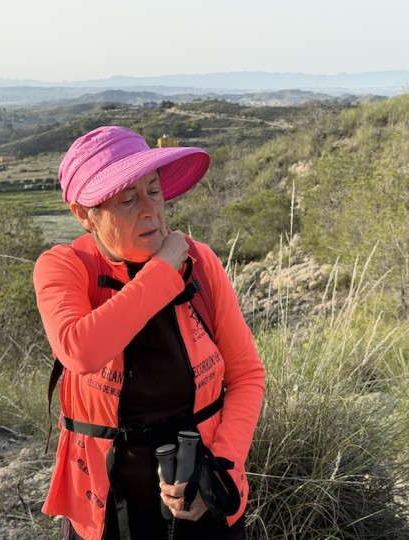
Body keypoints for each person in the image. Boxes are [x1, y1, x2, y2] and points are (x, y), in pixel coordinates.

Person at [33, 125, 265, 540]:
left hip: (203, 490)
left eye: (154, 191)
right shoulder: (65, 267)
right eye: (127, 199)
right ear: (84, 214)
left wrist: (222, 469)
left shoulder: (201, 264)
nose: (150, 211)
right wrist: (162, 271)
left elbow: (246, 375)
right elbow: (80, 350)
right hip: (104, 505)